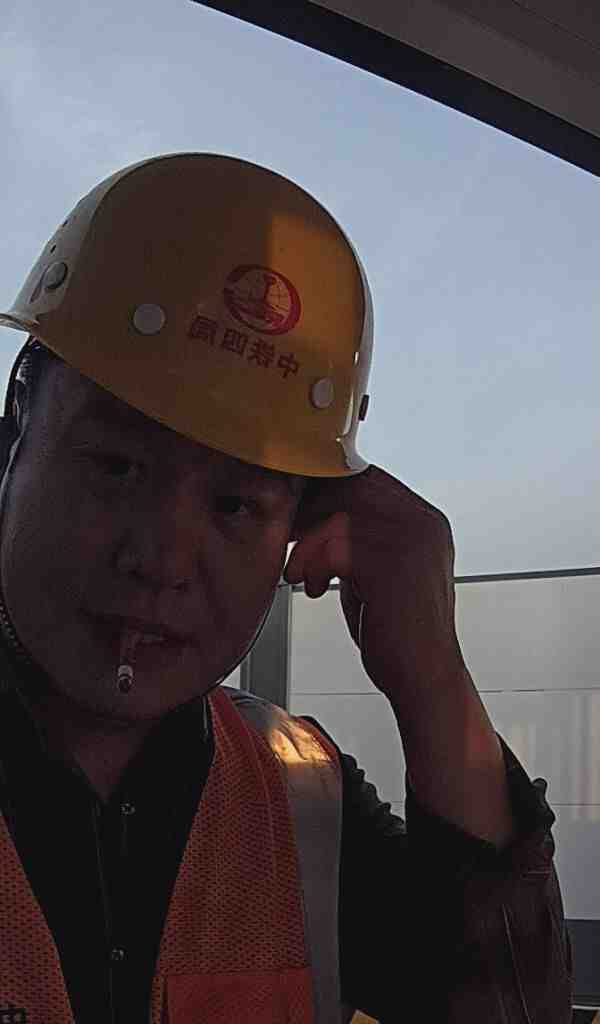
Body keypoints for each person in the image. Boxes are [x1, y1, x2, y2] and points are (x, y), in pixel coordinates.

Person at [0, 153, 571, 1023]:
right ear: (13, 439)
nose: (162, 559)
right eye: (116, 466)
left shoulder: (300, 801)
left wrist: (434, 684)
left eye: (235, 504)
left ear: (299, 532)